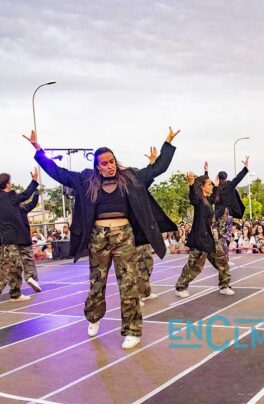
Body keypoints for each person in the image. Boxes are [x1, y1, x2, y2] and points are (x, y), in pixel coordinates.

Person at [24, 129, 175, 349]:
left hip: (124, 236)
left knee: (129, 283)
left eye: (111, 161)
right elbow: (59, 172)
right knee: (97, 282)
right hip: (98, 237)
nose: (109, 166)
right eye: (104, 163)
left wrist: (167, 143)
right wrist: (39, 149)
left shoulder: (130, 177)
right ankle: (94, 316)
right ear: (97, 166)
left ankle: (132, 330)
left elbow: (157, 169)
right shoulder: (86, 180)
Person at [175, 171, 234, 298]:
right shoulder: (199, 200)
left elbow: (213, 197)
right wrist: (191, 183)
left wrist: (216, 185)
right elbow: (193, 197)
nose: (211, 186)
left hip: (211, 240)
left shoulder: (207, 200)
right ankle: (180, 287)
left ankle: (224, 286)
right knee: (194, 267)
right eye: (209, 184)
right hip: (200, 240)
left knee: (222, 261)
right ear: (202, 187)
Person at [135, 134, 179, 303]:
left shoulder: (137, 184)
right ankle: (136, 294)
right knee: (134, 266)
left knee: (148, 262)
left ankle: (145, 291)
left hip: (143, 232)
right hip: (131, 234)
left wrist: (166, 144)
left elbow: (153, 172)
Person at [0, 170, 40, 301]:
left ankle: (16, 294)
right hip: (14, 237)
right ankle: (16, 293)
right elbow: (26, 194)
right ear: (8, 184)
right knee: (12, 267)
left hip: (8, 238)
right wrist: (34, 181)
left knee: (13, 266)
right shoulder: (11, 197)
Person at [205, 157, 249, 257]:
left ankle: (220, 253)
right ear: (226, 177)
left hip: (217, 215)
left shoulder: (215, 186)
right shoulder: (229, 185)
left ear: (218, 178)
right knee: (225, 236)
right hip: (227, 214)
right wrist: (245, 167)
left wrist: (206, 170)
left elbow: (206, 182)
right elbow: (238, 178)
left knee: (219, 236)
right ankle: (223, 255)